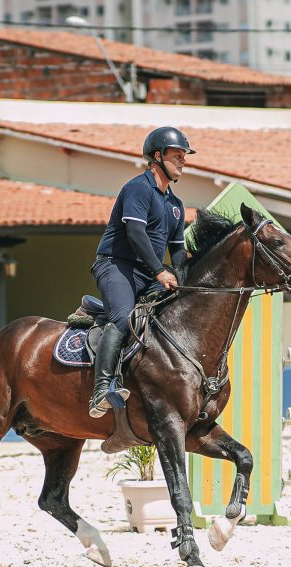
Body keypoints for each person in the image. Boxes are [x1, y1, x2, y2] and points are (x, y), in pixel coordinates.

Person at [88, 126, 194, 418]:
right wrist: (160, 271)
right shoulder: (138, 188)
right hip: (116, 265)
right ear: (157, 156)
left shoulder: (175, 205)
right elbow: (136, 234)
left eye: (184, 155)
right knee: (122, 319)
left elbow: (177, 250)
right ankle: (101, 389)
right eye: (177, 155)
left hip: (148, 273)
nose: (183, 160)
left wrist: (188, 281)